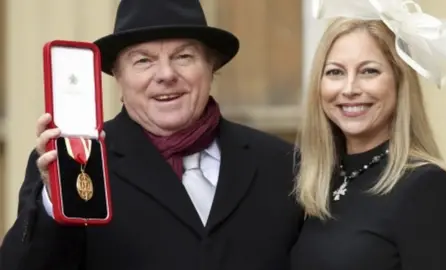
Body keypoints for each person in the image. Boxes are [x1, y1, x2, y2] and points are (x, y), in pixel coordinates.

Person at [0, 0, 304, 269]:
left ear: (211, 67)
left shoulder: (282, 165)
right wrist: (55, 205)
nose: (166, 75)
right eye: (143, 61)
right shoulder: (79, 161)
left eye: (184, 56)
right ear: (118, 76)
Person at [289, 0, 446, 269]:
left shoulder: (427, 188)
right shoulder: (316, 180)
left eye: (369, 71)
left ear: (399, 82)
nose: (349, 88)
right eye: (335, 72)